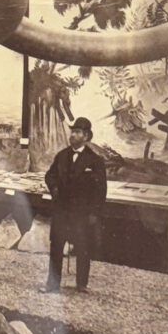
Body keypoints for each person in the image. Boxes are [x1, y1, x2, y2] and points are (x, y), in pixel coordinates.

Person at [45, 117, 107, 293]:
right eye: (72, 131)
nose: (73, 135)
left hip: (82, 213)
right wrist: (55, 189)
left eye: (78, 132)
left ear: (86, 136)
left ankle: (81, 284)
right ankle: (52, 284)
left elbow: (100, 190)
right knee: (56, 247)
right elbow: (49, 176)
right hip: (61, 211)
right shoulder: (62, 156)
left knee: (83, 247)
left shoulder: (95, 161)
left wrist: (94, 213)